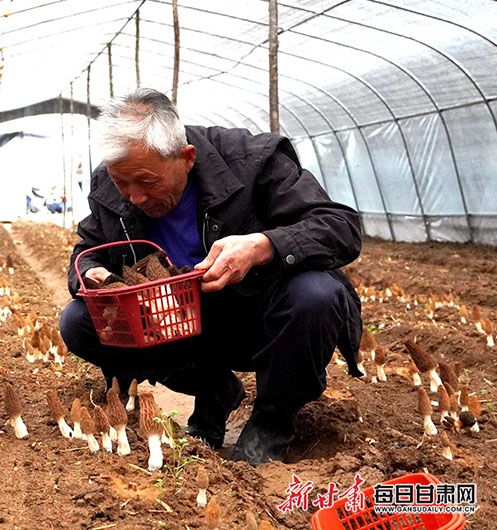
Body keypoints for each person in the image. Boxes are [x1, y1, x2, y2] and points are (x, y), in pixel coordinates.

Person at [59, 88, 362, 465]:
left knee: (317, 294)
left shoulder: (253, 160)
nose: (134, 197)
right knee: (78, 322)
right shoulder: (110, 182)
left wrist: (262, 245)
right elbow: (86, 250)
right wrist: (93, 274)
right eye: (123, 183)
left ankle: (272, 423)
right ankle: (215, 388)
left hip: (258, 316)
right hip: (174, 323)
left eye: (146, 182)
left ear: (187, 158)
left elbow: (341, 227)